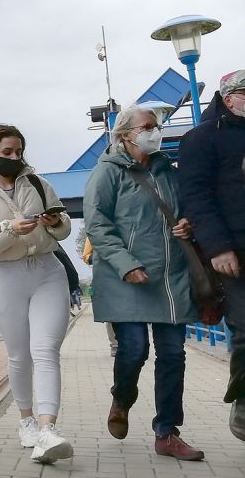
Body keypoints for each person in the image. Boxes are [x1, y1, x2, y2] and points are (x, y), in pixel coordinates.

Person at [85, 105, 203, 461]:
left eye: (157, 125)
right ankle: (122, 398)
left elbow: (187, 209)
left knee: (172, 355)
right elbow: (96, 223)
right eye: (147, 126)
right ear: (126, 134)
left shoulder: (169, 170)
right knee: (134, 349)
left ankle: (167, 432)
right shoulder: (107, 172)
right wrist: (125, 263)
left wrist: (187, 223)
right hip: (128, 277)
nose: (155, 131)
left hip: (171, 275)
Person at [0, 124, 73, 464]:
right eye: (7, 152)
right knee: (20, 355)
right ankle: (26, 420)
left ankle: (48, 429)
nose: (14, 158)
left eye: (18, 152)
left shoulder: (38, 183)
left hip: (47, 272)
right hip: (5, 277)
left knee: (46, 350)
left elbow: (64, 224)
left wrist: (55, 223)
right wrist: (8, 228)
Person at [179, 69, 245, 441]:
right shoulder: (202, 139)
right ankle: (244, 400)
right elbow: (197, 196)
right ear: (230, 97)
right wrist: (218, 247)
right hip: (233, 254)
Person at [83, 238, 118, 356]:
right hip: (106, 278)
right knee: (111, 315)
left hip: (129, 276)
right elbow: (86, 256)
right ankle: (115, 344)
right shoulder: (93, 233)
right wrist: (100, 256)